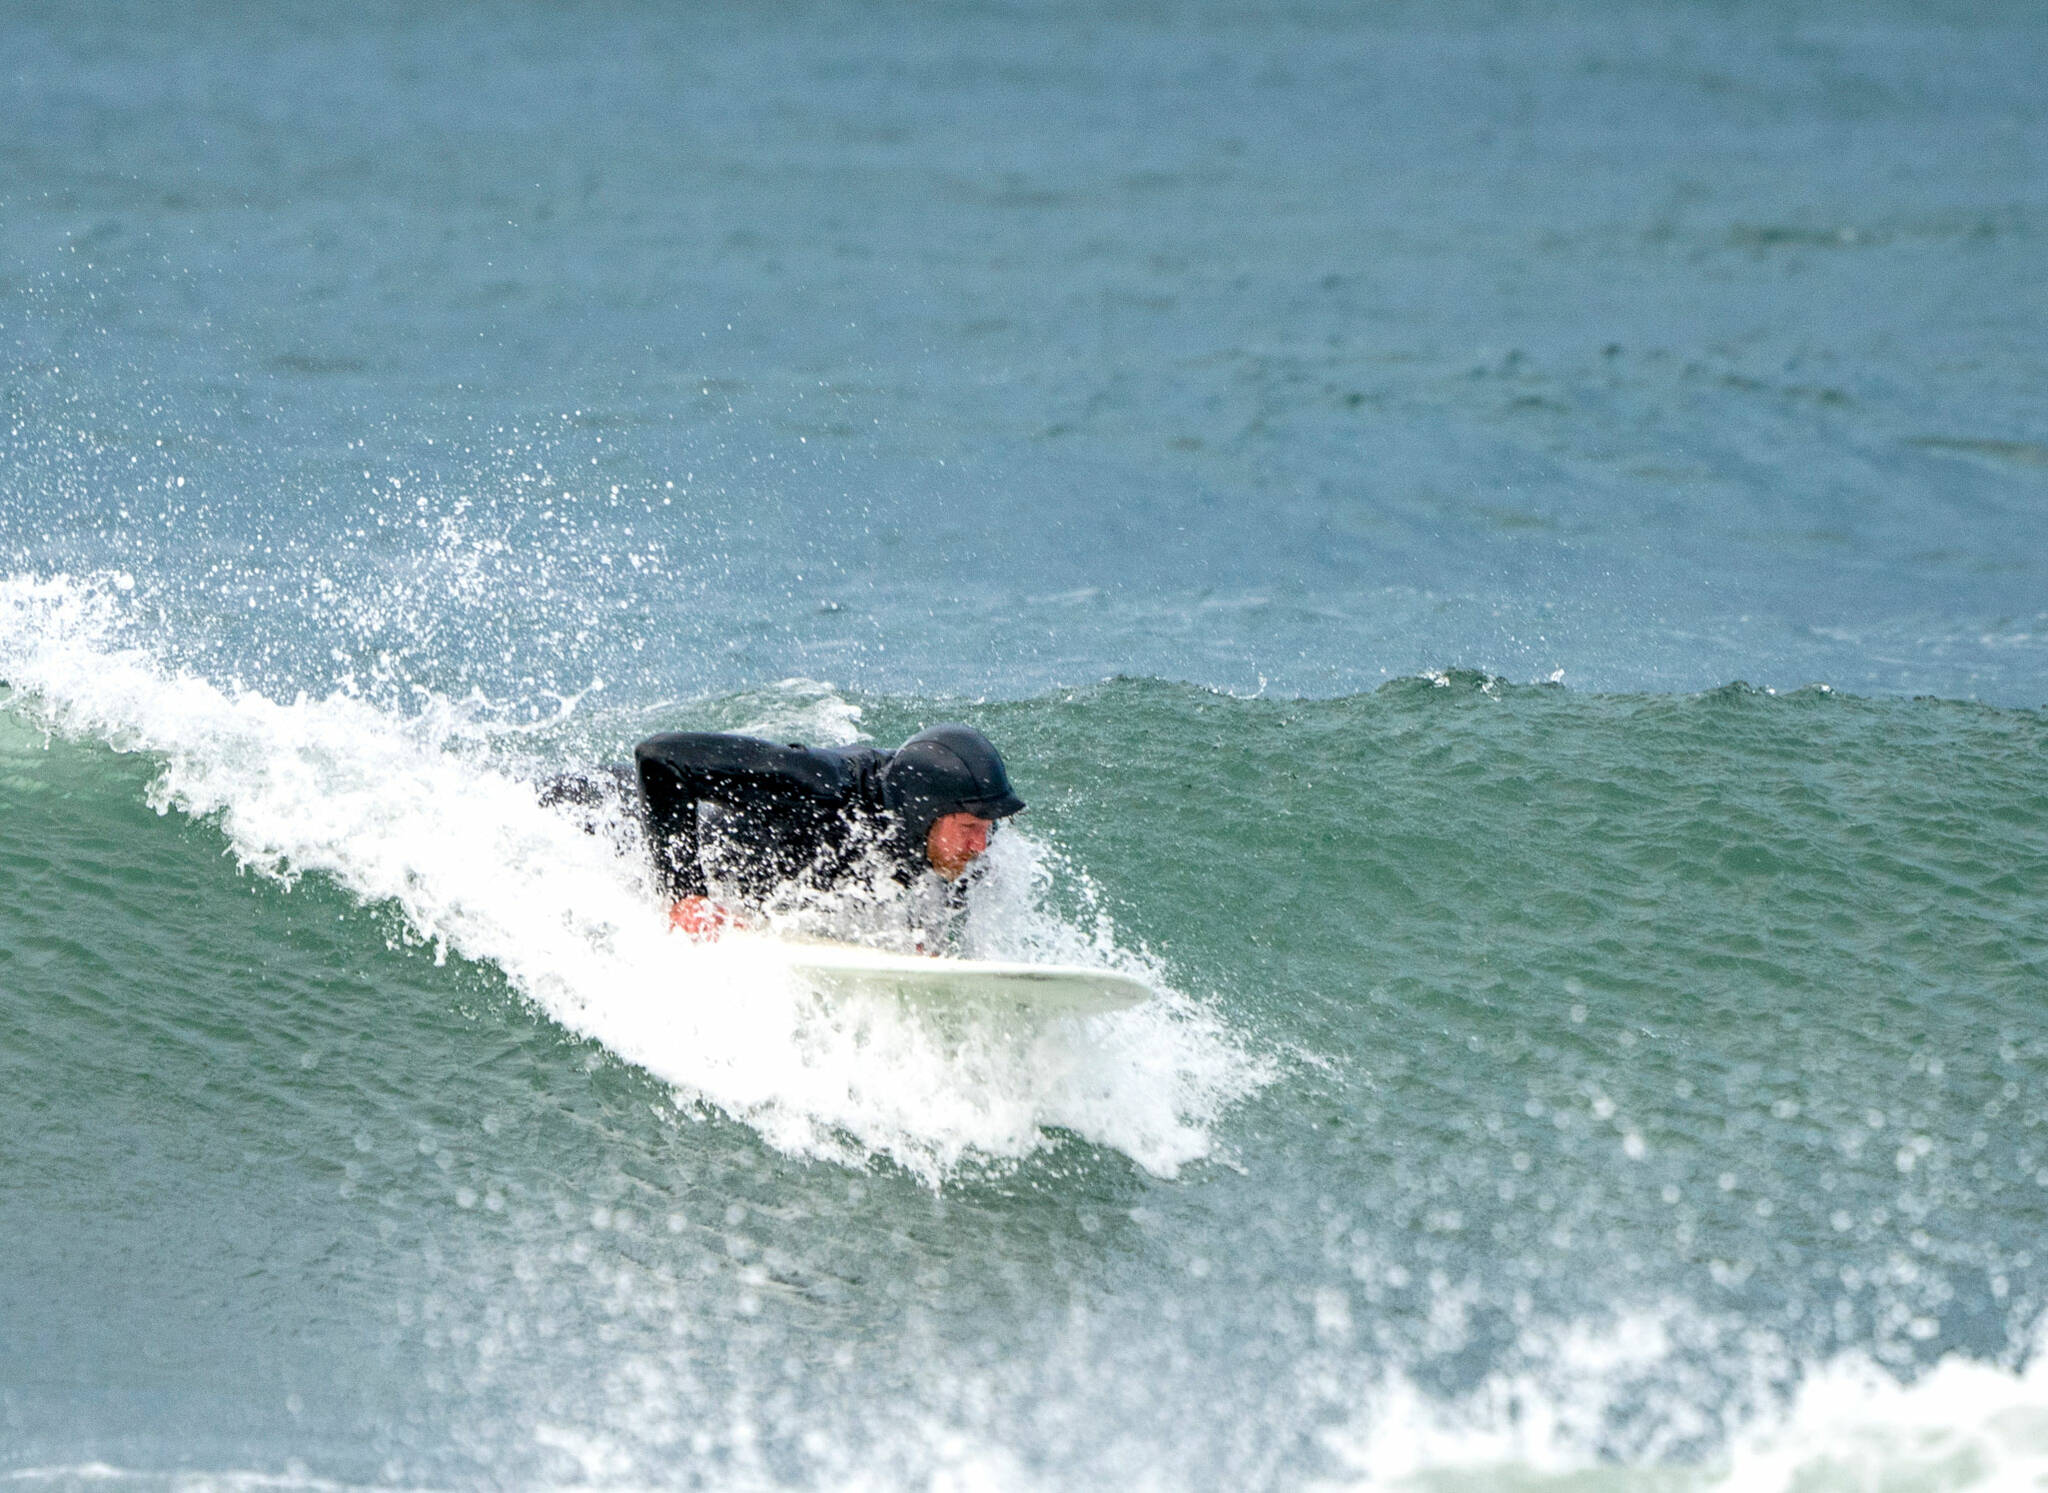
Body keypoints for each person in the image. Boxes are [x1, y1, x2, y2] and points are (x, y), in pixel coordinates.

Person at [545, 723, 1025, 941]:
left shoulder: (967, 823)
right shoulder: (820, 786)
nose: (980, 844)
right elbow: (659, 757)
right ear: (924, 811)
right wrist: (684, 895)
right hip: (614, 815)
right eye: (967, 828)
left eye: (986, 828)